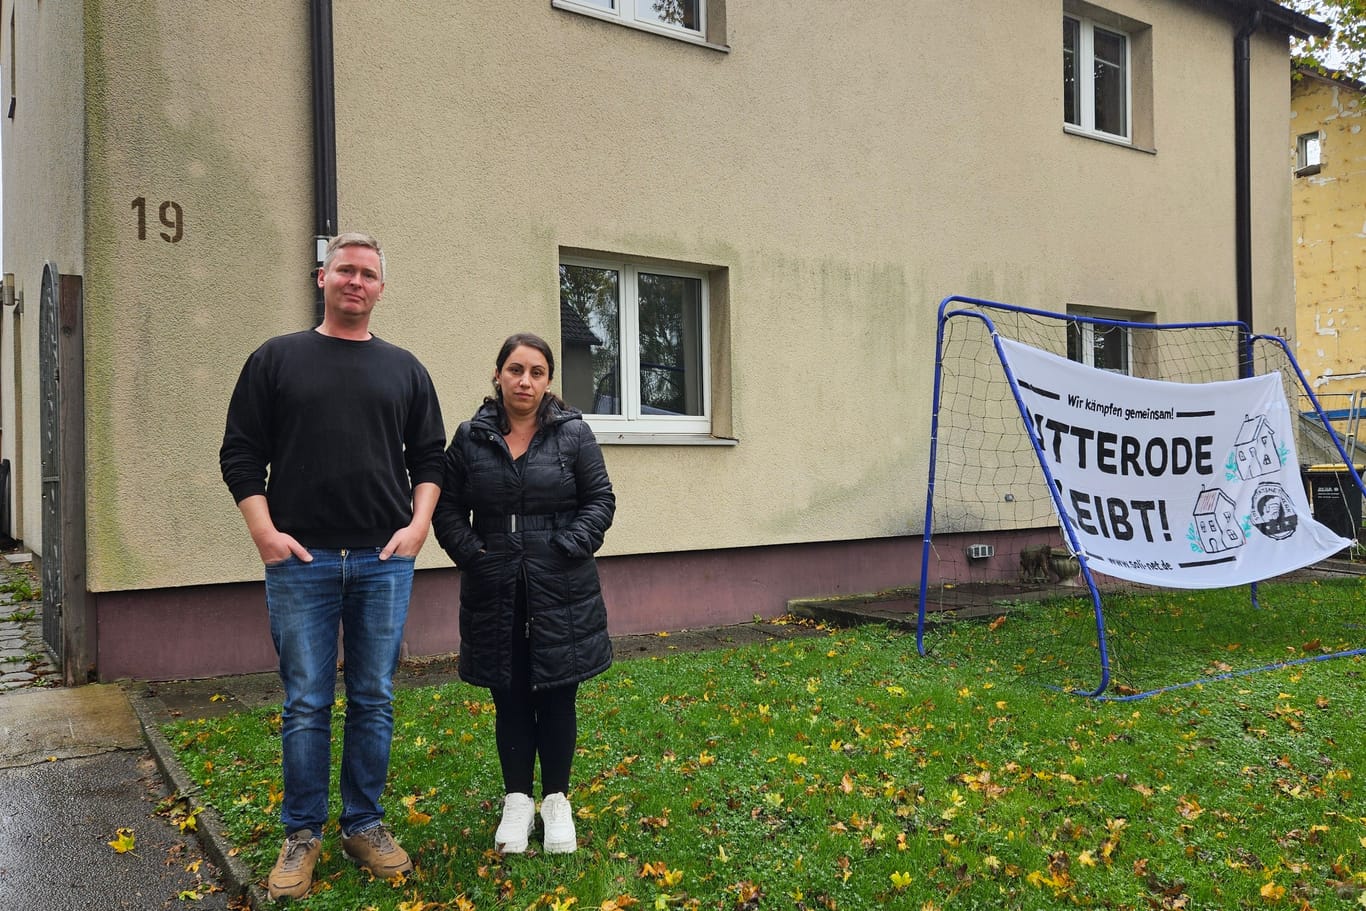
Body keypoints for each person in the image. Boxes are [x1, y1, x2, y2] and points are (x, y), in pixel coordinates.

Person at [219, 232, 446, 900]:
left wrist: (418, 526)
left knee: (373, 695)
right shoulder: (277, 360)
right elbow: (240, 453)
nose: (355, 280)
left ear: (381, 287)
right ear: (322, 277)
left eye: (368, 272)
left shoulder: (404, 369)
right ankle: (301, 834)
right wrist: (264, 533)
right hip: (302, 562)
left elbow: (431, 457)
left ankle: (364, 823)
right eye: (344, 269)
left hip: (383, 562)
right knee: (307, 700)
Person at [433, 332, 615, 855]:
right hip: (495, 589)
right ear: (498, 375)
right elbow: (446, 508)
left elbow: (599, 499)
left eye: (536, 372)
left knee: (558, 694)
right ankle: (517, 801)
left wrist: (569, 545)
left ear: (549, 381)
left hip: (561, 585)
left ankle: (556, 801)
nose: (525, 381)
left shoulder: (573, 435)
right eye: (515, 369)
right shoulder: (471, 437)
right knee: (508, 695)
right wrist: (473, 554)